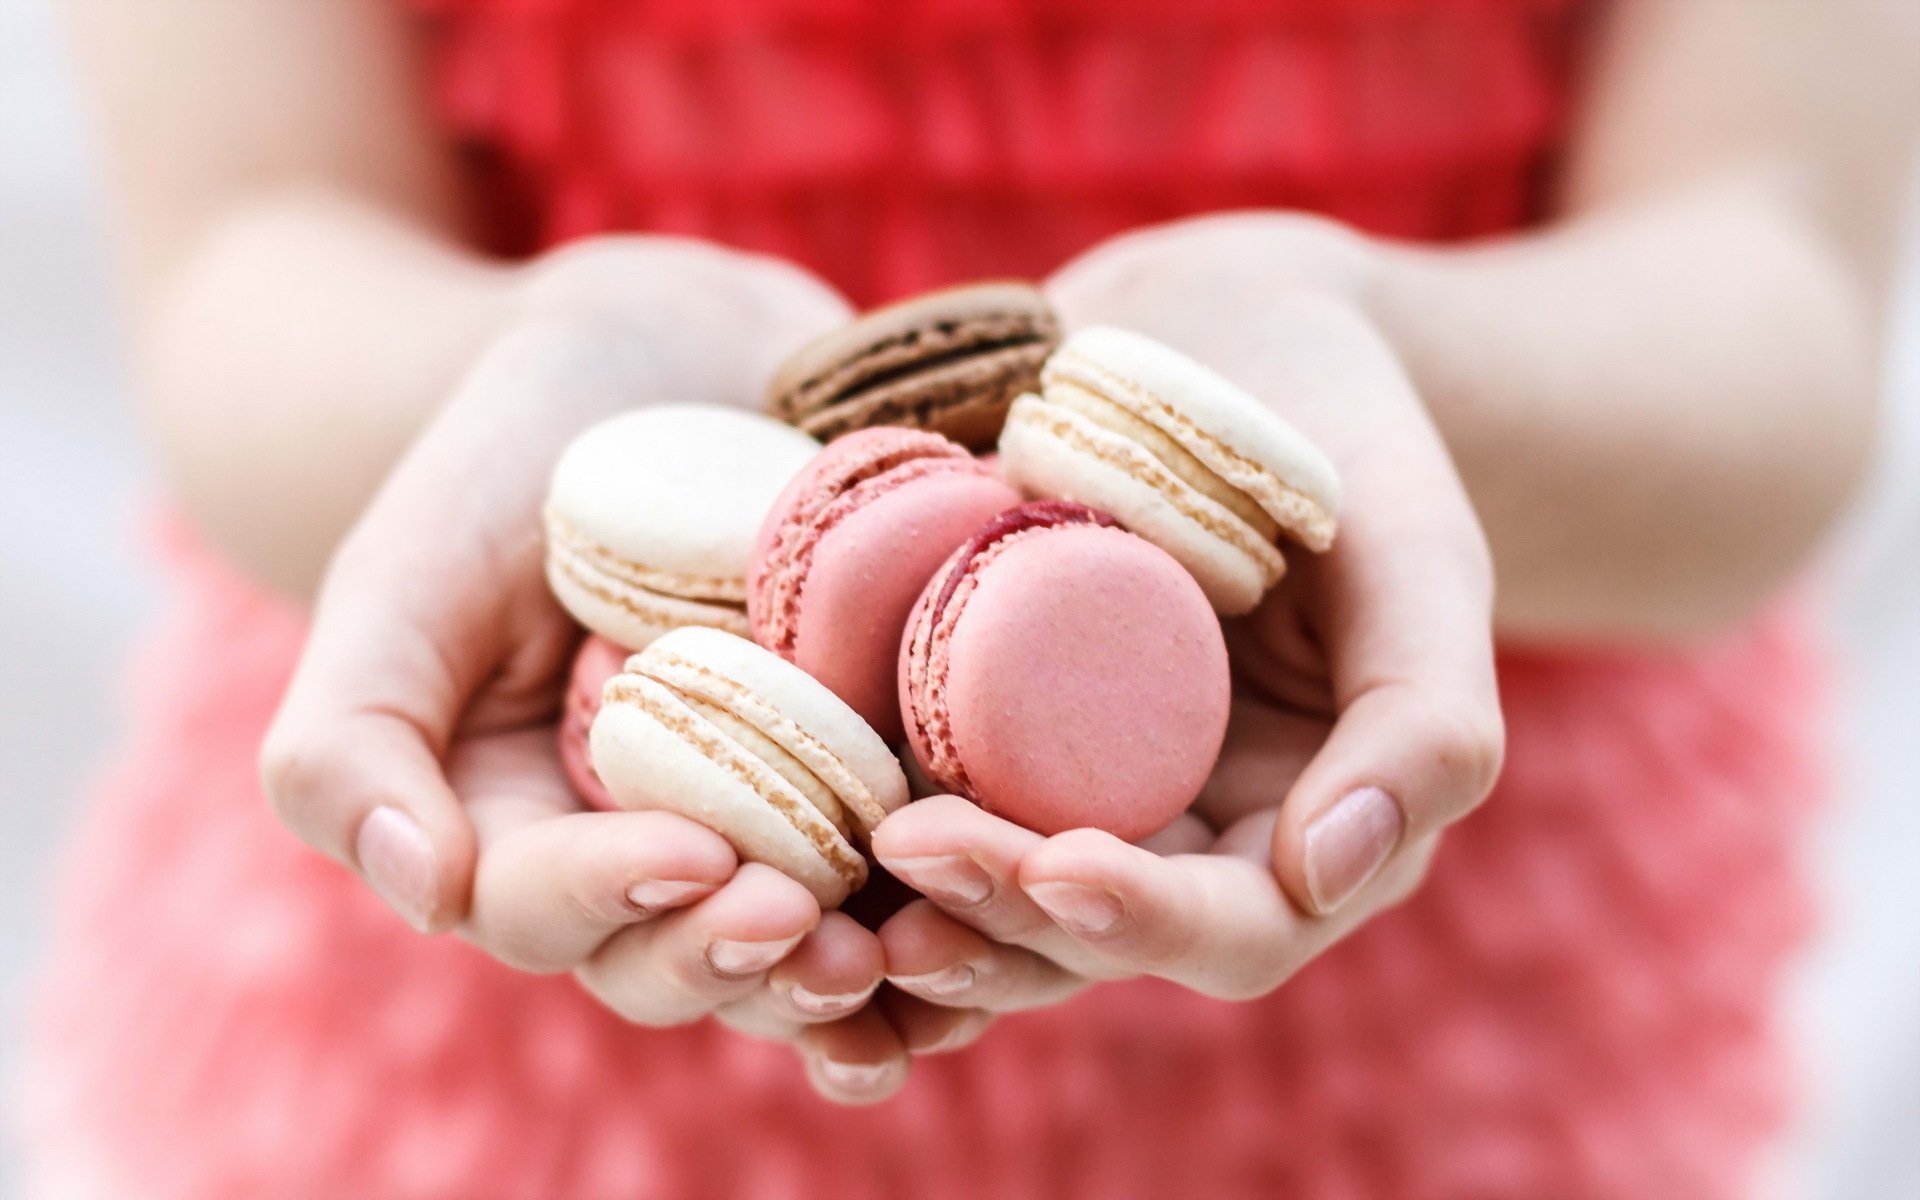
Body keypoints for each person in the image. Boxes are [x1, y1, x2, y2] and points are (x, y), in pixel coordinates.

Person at [19, 0, 1919, 1196]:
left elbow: (1781, 285)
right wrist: (547, 359)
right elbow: (246, 247)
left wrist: (1377, 354)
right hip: (503, 1011)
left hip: (1446, 1006)